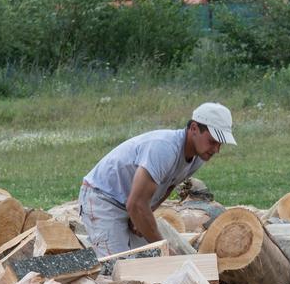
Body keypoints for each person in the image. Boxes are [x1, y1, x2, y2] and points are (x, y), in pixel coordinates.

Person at [79, 102, 236, 257]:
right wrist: (163, 249)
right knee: (117, 268)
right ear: (194, 128)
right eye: (212, 141)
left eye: (220, 144)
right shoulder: (164, 149)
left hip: (129, 202)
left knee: (146, 264)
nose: (216, 149)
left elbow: (168, 185)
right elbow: (136, 204)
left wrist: (143, 217)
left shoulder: (198, 156)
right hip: (103, 198)